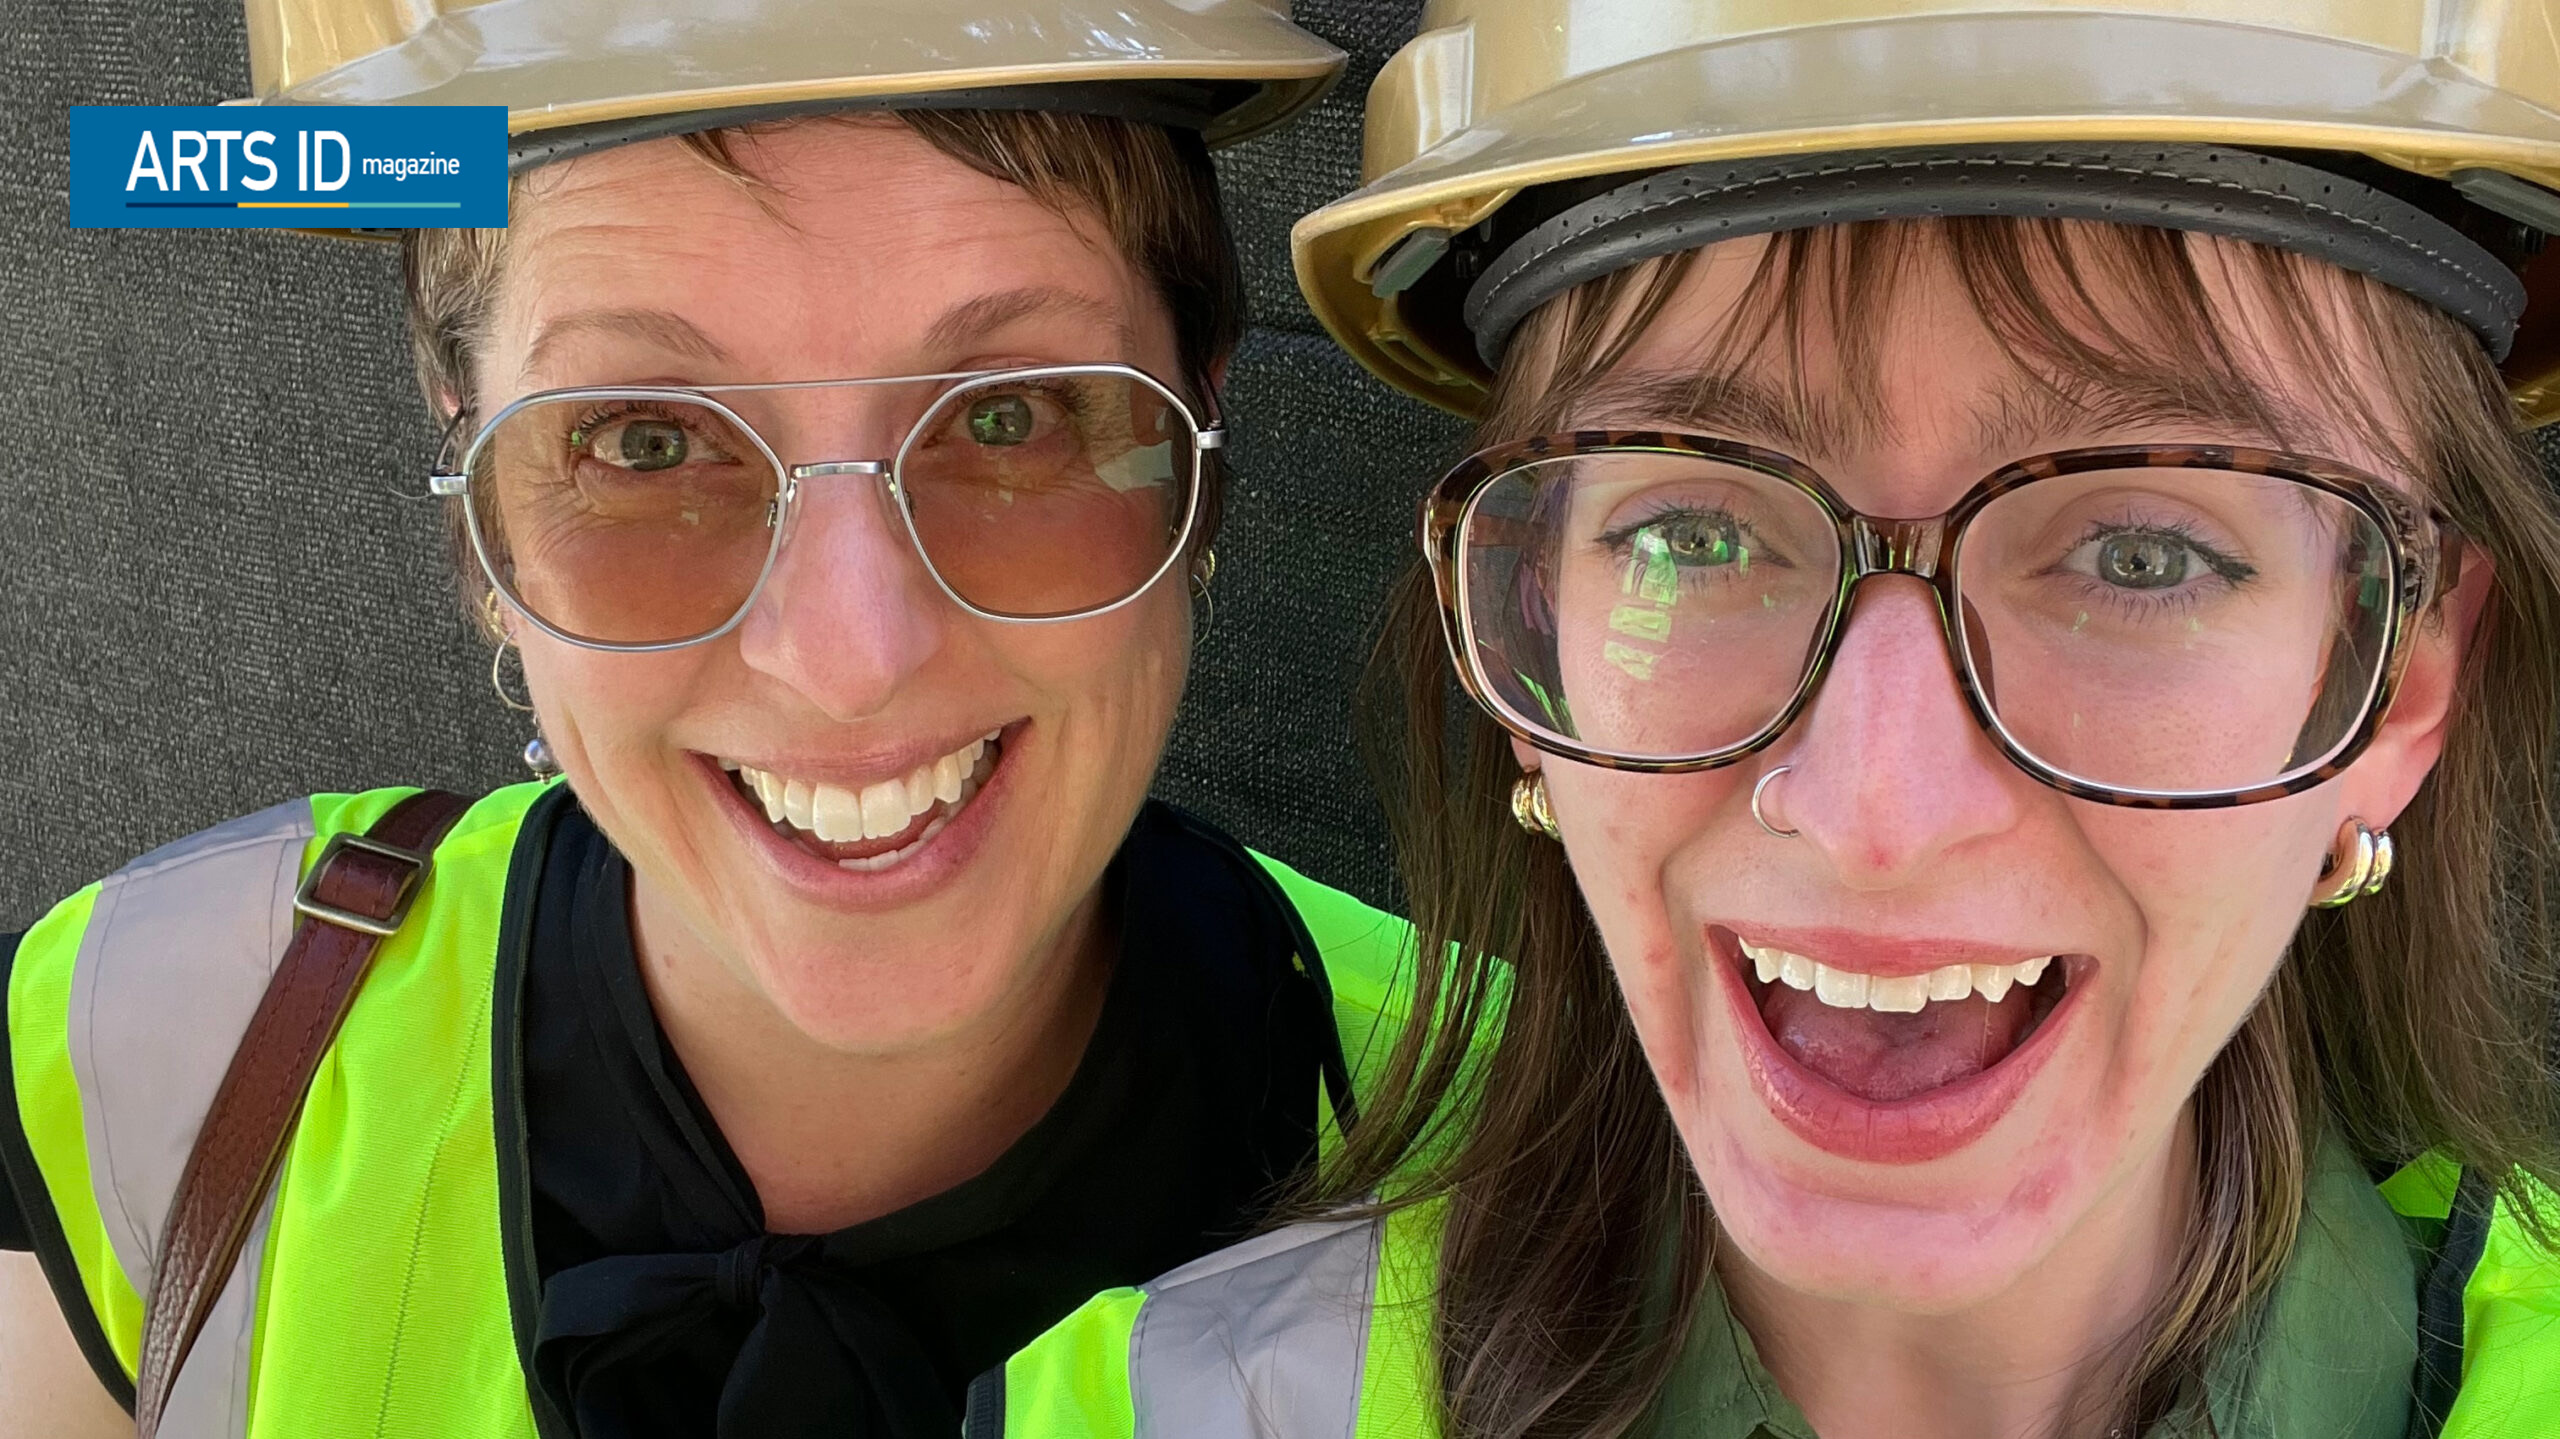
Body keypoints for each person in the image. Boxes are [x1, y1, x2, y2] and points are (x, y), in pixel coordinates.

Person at [974, 3, 2560, 1436]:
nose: (1878, 813)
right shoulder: (1156, 1407)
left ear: (2399, 687)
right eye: (1696, 533)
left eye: (2143, 556)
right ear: (1532, 651)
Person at [0, 4, 1421, 1437]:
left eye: (1014, 418)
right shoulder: (141, 1044)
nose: (848, 659)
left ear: (1205, 447)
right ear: (481, 508)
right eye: (644, 442)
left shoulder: (1546, 1146)